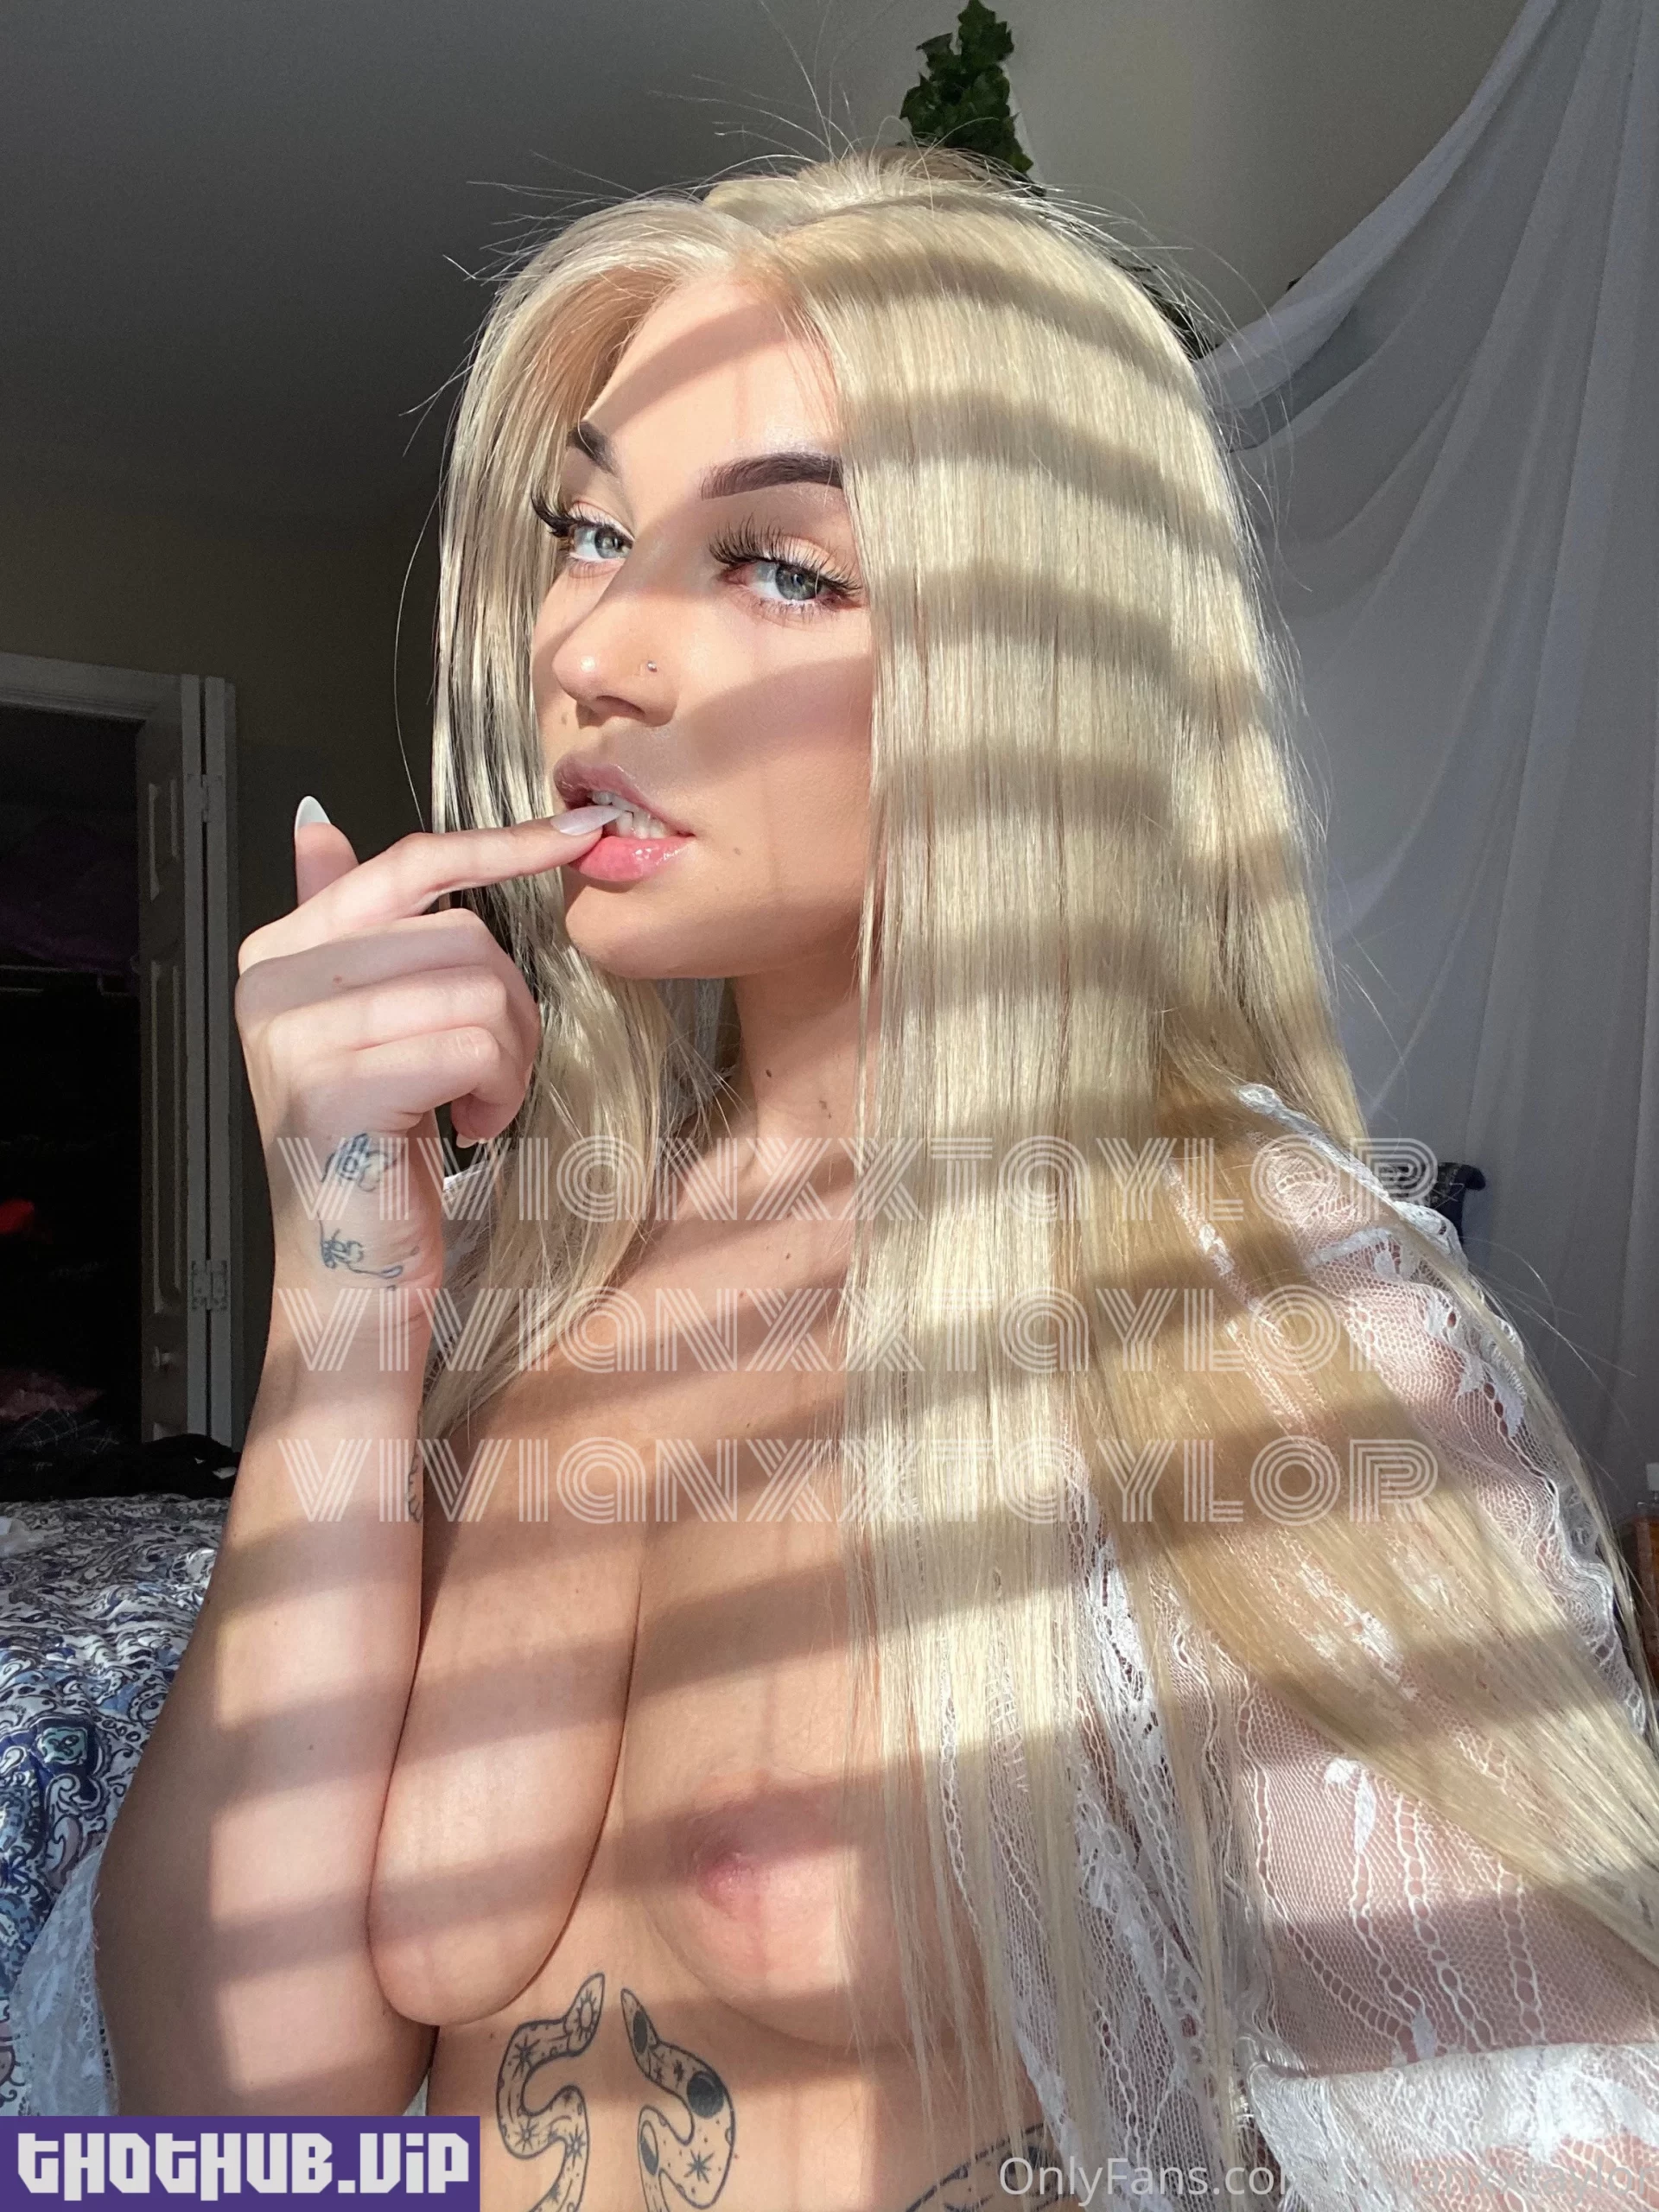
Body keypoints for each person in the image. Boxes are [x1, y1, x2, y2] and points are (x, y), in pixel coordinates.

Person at [14, 146, 1659, 2209]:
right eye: (589, 530)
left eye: (780, 564)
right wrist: (345, 1289)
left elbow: (1551, 2140)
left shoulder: (1236, 1295)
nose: (592, 647)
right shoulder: (534, 1240)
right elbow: (235, 2120)